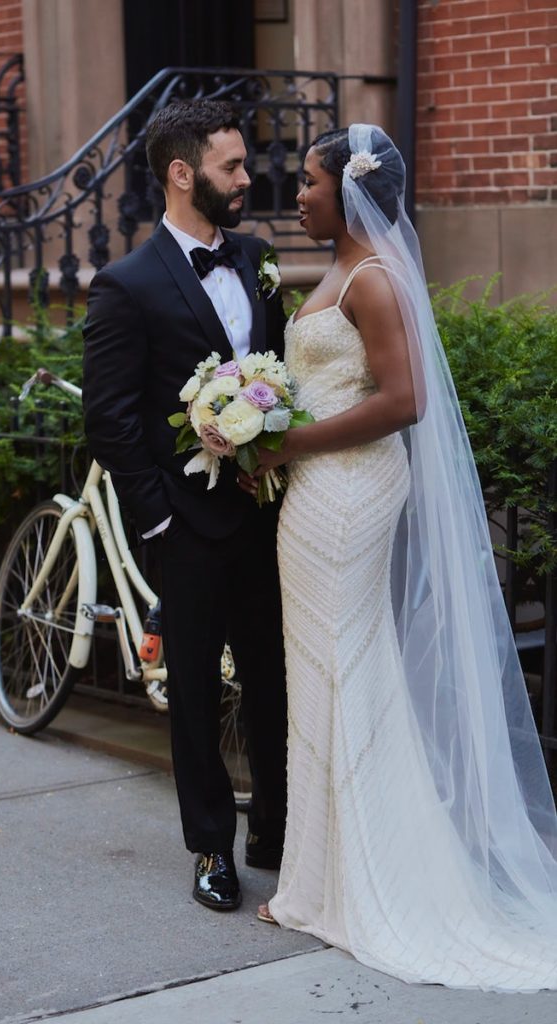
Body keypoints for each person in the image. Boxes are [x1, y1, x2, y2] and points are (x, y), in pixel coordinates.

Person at [244, 124, 557, 991]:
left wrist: (286, 440)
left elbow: (404, 399)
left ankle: (354, 882)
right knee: (328, 670)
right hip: (317, 488)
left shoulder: (374, 279)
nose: (296, 195)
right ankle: (321, 877)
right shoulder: (340, 271)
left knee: (340, 667)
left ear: (343, 192)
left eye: (306, 183)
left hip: (347, 491)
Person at [82, 99, 288, 912]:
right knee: (197, 689)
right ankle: (211, 846)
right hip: (188, 527)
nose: (245, 178)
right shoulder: (125, 283)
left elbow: (276, 374)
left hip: (267, 514)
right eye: (230, 167)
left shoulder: (258, 258)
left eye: (243, 164)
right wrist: (160, 520)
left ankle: (275, 828)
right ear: (181, 174)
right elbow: (109, 417)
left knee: (272, 680)